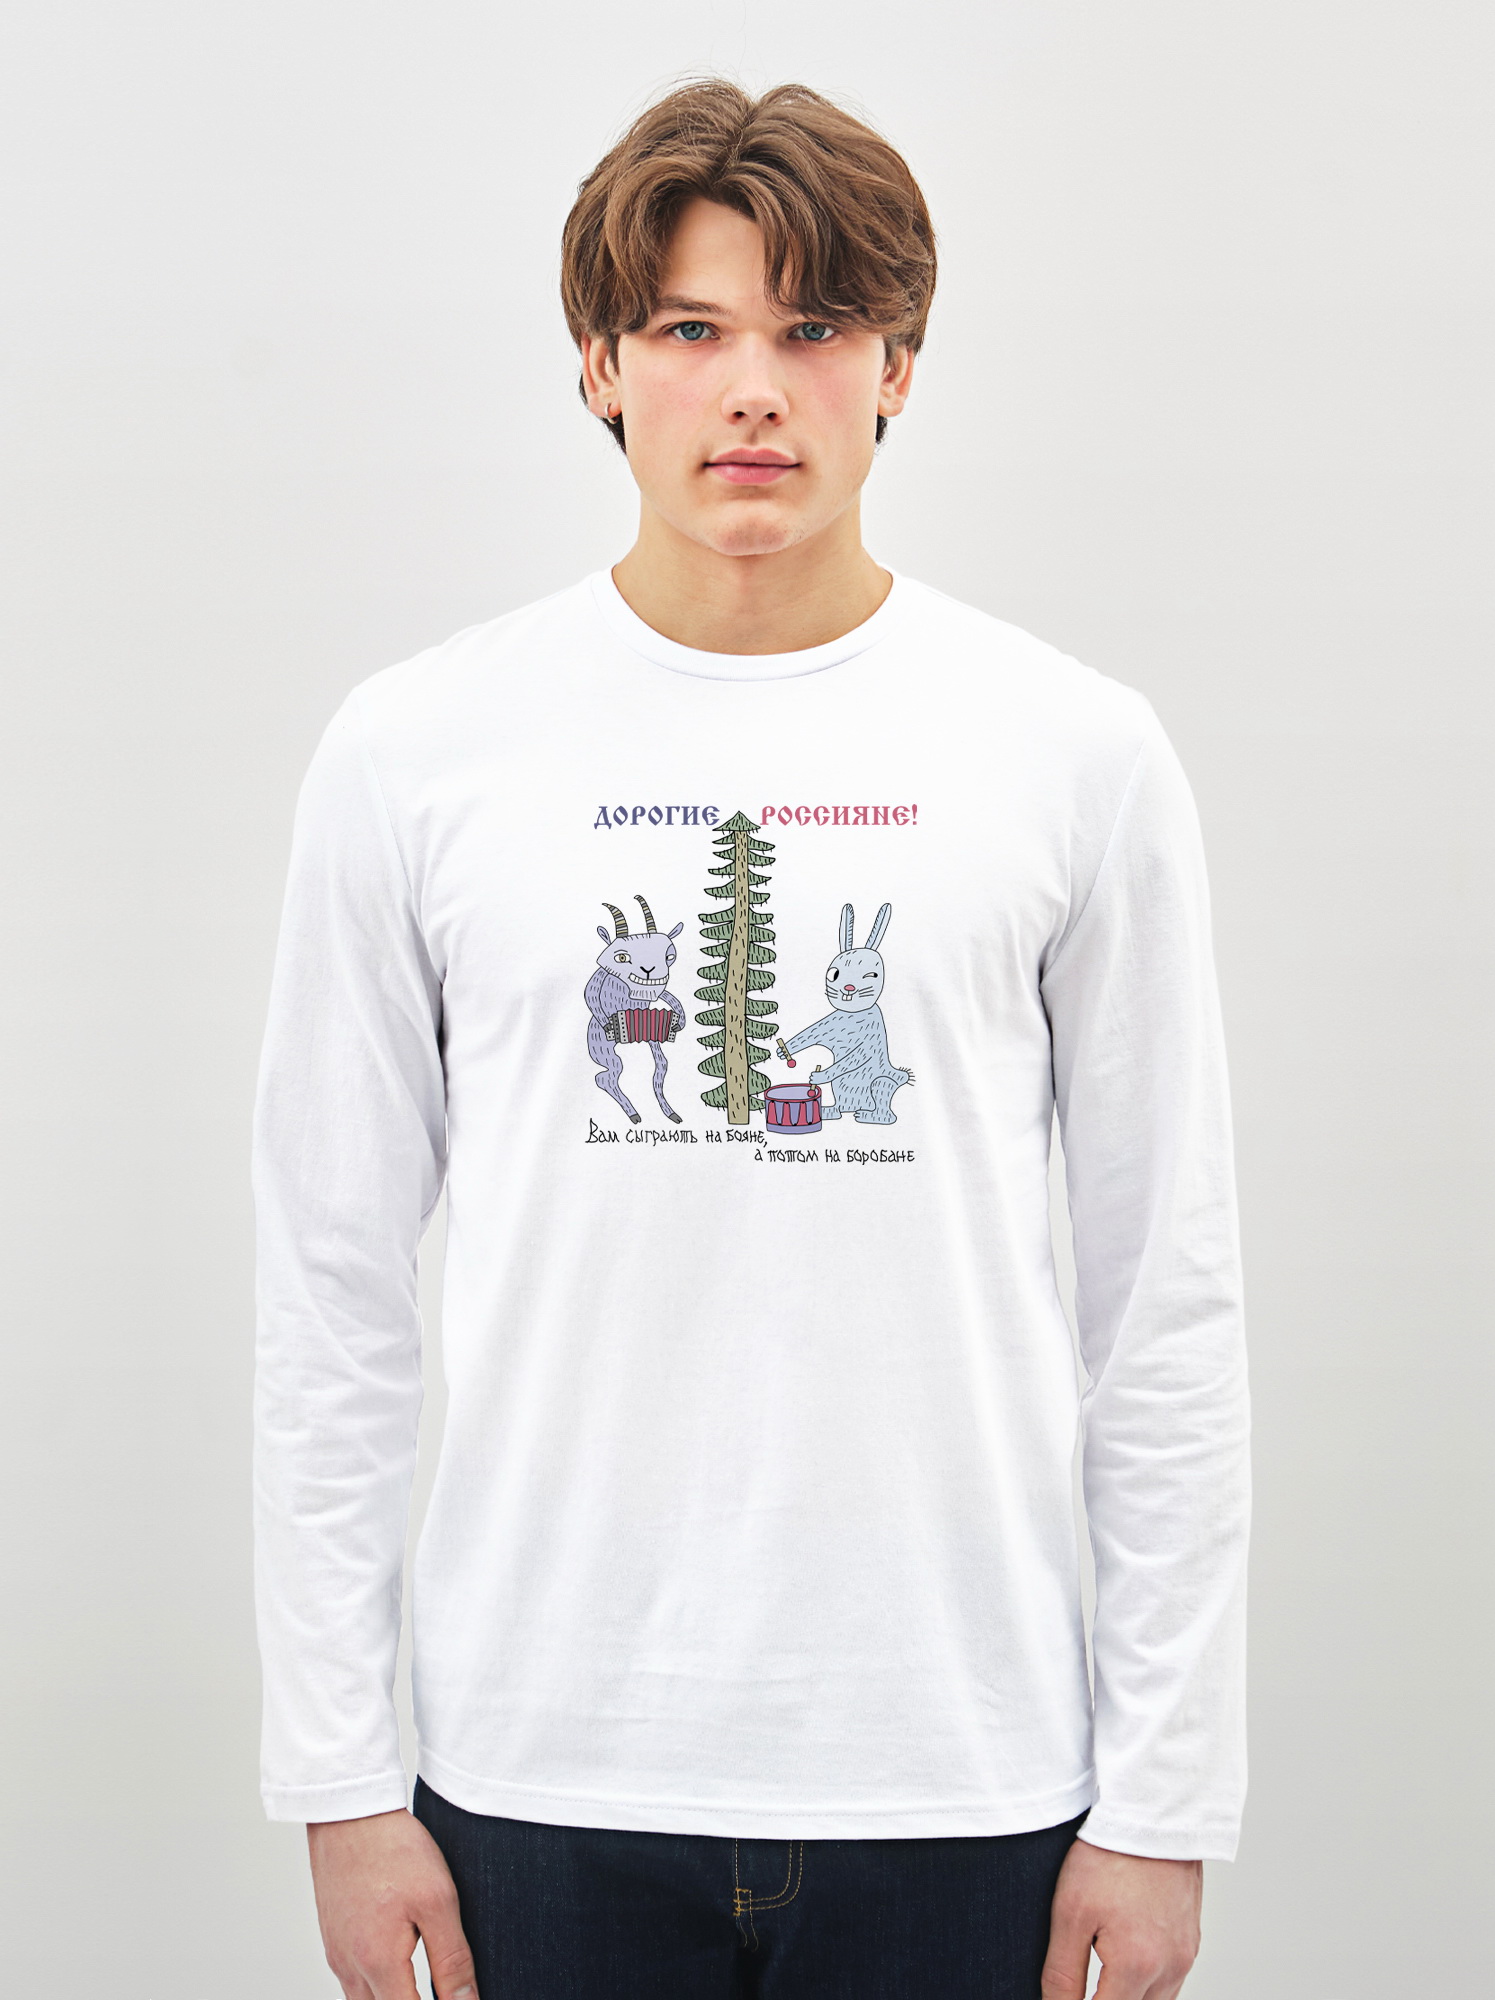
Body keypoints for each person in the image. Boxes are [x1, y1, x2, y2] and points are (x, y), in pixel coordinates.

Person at [253, 79, 1250, 2000]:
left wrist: (1168, 1798)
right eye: (692, 330)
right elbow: (329, 1293)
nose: (756, 394)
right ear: (600, 366)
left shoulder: (1074, 753)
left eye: (817, 329)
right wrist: (338, 1779)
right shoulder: (417, 752)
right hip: (534, 1771)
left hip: (964, 1776)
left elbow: (1166, 1306)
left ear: (899, 369)